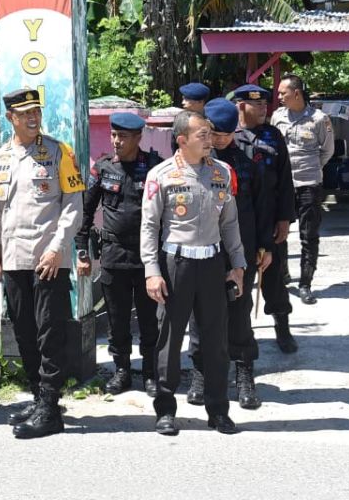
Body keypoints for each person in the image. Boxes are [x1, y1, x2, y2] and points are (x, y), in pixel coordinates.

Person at [0, 88, 85, 439]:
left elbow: (73, 205)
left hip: (48, 260)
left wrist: (58, 248)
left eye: (36, 112)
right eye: (24, 113)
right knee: (23, 330)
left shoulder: (59, 153)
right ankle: (39, 396)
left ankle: (50, 408)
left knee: (49, 331)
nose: (32, 118)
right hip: (13, 260)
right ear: (10, 117)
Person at [142, 111, 246, 436]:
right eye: (202, 134)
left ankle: (218, 410)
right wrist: (151, 271)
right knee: (169, 341)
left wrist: (239, 266)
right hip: (176, 266)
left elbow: (229, 223)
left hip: (212, 265)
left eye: (210, 133)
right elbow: (149, 226)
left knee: (216, 342)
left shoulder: (222, 173)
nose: (210, 139)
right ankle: (165, 410)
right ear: (182, 140)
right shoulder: (161, 175)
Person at [187, 98, 271, 410]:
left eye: (224, 134)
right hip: (200, 250)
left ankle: (245, 373)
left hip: (240, 251)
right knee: (200, 315)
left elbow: (262, 209)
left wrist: (266, 247)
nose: (218, 140)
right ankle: (200, 372)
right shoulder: (191, 164)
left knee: (238, 312)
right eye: (213, 133)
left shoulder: (247, 163)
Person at [76, 112, 162, 395]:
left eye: (123, 136)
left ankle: (150, 372)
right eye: (114, 135)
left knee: (149, 319)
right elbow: (85, 213)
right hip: (113, 254)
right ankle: (122, 371)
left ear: (138, 138)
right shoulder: (102, 169)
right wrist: (82, 251)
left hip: (147, 257)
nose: (116, 141)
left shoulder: (153, 168)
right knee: (117, 318)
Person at [233, 84, 298, 353]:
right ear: (240, 106)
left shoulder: (273, 136)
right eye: (256, 104)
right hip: (238, 222)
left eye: (264, 104)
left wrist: (285, 218)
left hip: (270, 220)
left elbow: (285, 181)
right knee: (241, 279)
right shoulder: (228, 136)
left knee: (274, 278)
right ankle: (242, 332)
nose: (263, 109)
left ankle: (282, 326)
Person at [272, 74, 335, 305]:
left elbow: (327, 151)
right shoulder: (278, 117)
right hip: (283, 184)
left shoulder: (319, 119)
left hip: (309, 184)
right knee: (279, 232)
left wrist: (312, 168)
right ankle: (283, 273)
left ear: (296, 93)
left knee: (309, 236)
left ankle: (305, 284)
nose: (278, 97)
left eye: (283, 93)